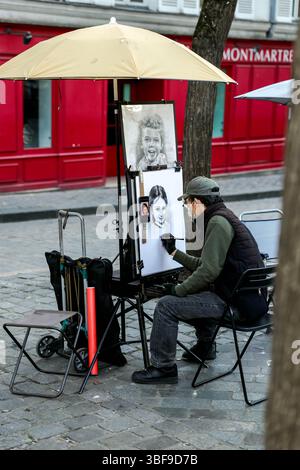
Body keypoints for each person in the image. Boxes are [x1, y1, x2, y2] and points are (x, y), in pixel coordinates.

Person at [132, 176, 268, 384]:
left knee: (167, 306)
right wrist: (174, 252)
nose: (186, 208)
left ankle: (163, 367)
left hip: (237, 305)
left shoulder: (218, 222)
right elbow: (207, 265)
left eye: (187, 203)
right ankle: (205, 346)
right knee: (198, 294)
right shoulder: (224, 216)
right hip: (250, 301)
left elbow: (208, 272)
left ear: (196, 201)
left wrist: (178, 290)